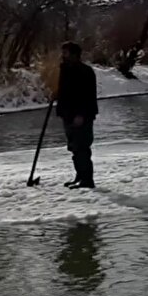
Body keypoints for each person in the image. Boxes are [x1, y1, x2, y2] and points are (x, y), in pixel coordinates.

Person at [56, 42, 98, 189]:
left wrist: (81, 114)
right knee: (74, 147)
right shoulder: (66, 70)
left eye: (66, 53)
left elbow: (87, 96)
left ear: (74, 54)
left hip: (81, 116)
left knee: (82, 147)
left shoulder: (84, 71)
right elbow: (65, 91)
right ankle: (80, 176)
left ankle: (87, 180)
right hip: (68, 114)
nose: (63, 56)